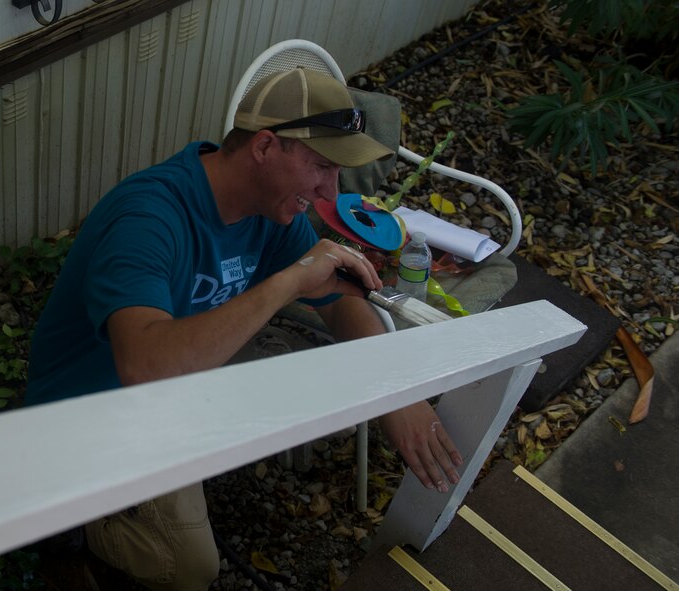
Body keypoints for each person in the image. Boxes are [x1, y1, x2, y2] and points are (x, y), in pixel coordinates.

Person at [26, 67, 463, 591]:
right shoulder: (148, 219)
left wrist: (397, 390)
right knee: (191, 568)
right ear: (263, 147)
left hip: (175, 383)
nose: (331, 190)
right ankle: (64, 517)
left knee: (294, 377)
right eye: (322, 166)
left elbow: (339, 302)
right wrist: (287, 283)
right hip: (91, 413)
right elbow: (145, 367)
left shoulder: (268, 209)